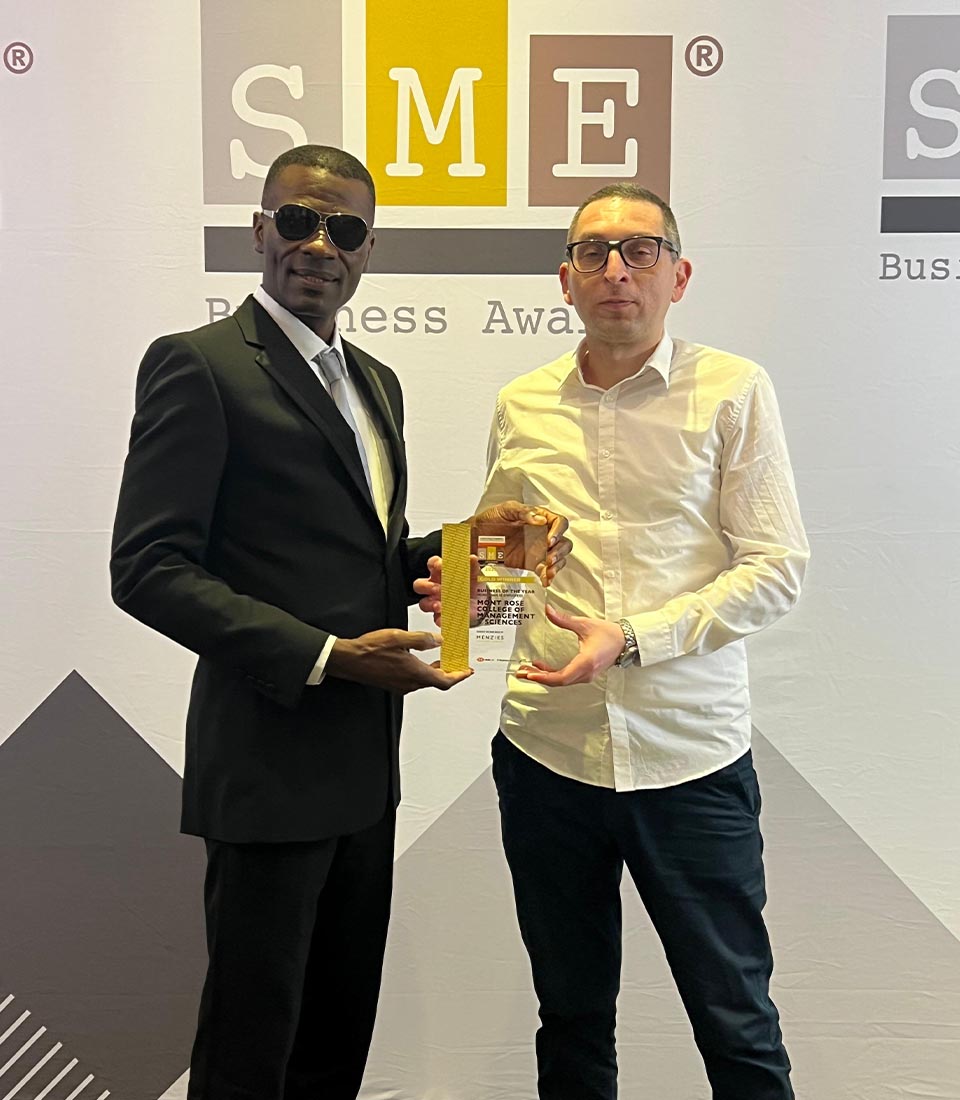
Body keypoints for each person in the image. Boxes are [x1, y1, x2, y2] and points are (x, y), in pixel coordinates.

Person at [110, 144, 568, 1100]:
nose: (319, 245)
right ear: (258, 231)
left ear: (368, 252)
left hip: (366, 767)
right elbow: (147, 569)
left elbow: (372, 554)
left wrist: (484, 556)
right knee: (251, 1046)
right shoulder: (198, 367)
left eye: (345, 230)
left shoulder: (377, 381)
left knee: (334, 1041)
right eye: (298, 221)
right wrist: (325, 656)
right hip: (267, 767)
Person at [435, 183, 809, 1099]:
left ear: (678, 276)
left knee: (737, 1023)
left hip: (691, 756)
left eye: (640, 252)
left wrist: (632, 638)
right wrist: (460, 611)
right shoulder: (522, 401)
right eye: (595, 254)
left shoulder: (733, 390)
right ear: (564, 281)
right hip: (548, 755)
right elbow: (505, 550)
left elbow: (776, 569)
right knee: (569, 1020)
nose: (617, 272)